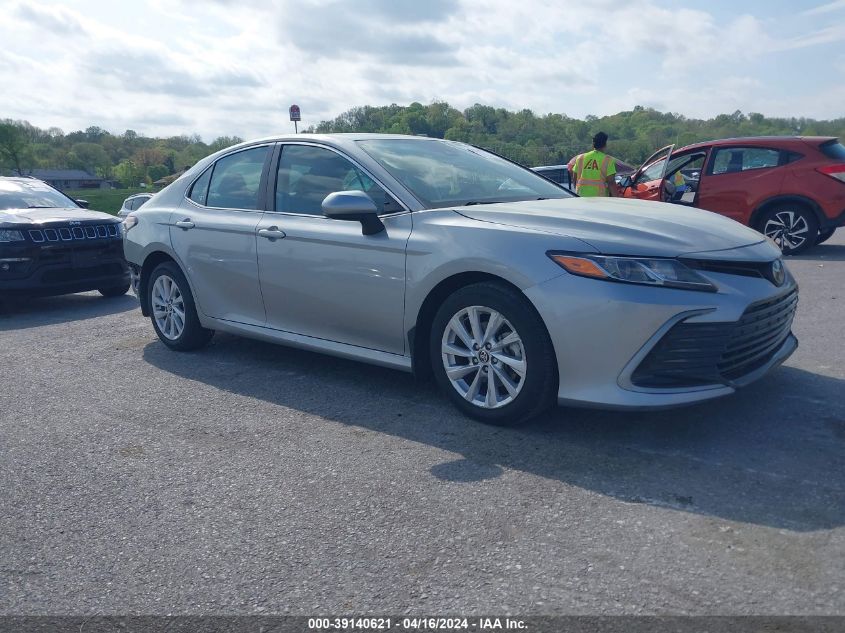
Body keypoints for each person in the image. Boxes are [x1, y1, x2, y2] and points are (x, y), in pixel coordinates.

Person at [571, 132, 619, 197]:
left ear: (593, 144)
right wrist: (617, 199)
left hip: (581, 198)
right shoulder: (608, 160)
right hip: (600, 200)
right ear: (605, 144)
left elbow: (574, 178)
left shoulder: (580, 158)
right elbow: (611, 182)